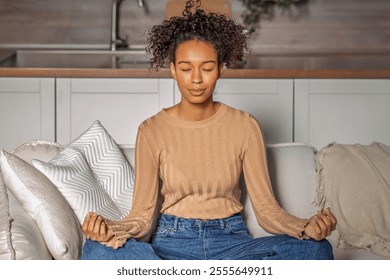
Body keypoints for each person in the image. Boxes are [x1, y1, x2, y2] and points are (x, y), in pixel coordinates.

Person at [81, 0, 337, 260]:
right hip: (171, 243)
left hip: (232, 243)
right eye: (185, 68)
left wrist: (306, 227)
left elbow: (267, 211)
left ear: (221, 69)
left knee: (317, 249)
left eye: (207, 68)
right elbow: (142, 217)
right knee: (94, 249)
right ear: (172, 70)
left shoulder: (245, 126)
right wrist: (111, 230)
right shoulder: (151, 130)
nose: (196, 79)